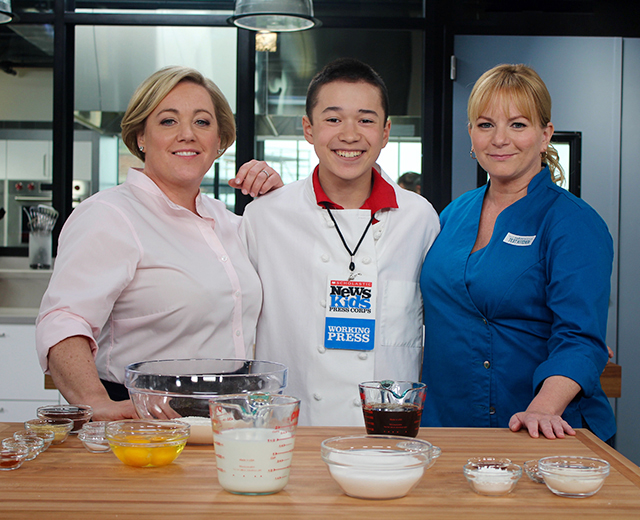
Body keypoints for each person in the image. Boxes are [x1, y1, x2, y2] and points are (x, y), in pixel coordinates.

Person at [36, 66, 282, 421]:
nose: (187, 135)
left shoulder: (231, 224)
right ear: (140, 137)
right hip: (146, 418)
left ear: (219, 142)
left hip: (231, 413)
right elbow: (63, 320)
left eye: (202, 122)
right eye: (168, 121)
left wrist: (278, 203)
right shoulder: (109, 215)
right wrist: (96, 402)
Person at [420, 63, 616, 442]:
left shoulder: (573, 223)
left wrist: (543, 407)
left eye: (518, 125)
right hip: (447, 425)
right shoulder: (452, 214)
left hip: (537, 428)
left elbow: (580, 337)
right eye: (486, 124)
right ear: (471, 135)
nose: (499, 139)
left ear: (545, 135)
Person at [240, 58, 440, 426]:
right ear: (308, 129)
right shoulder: (266, 217)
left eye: (365, 119)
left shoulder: (420, 218)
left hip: (388, 432)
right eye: (333, 119)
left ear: (385, 131)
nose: (350, 134)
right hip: (291, 429)